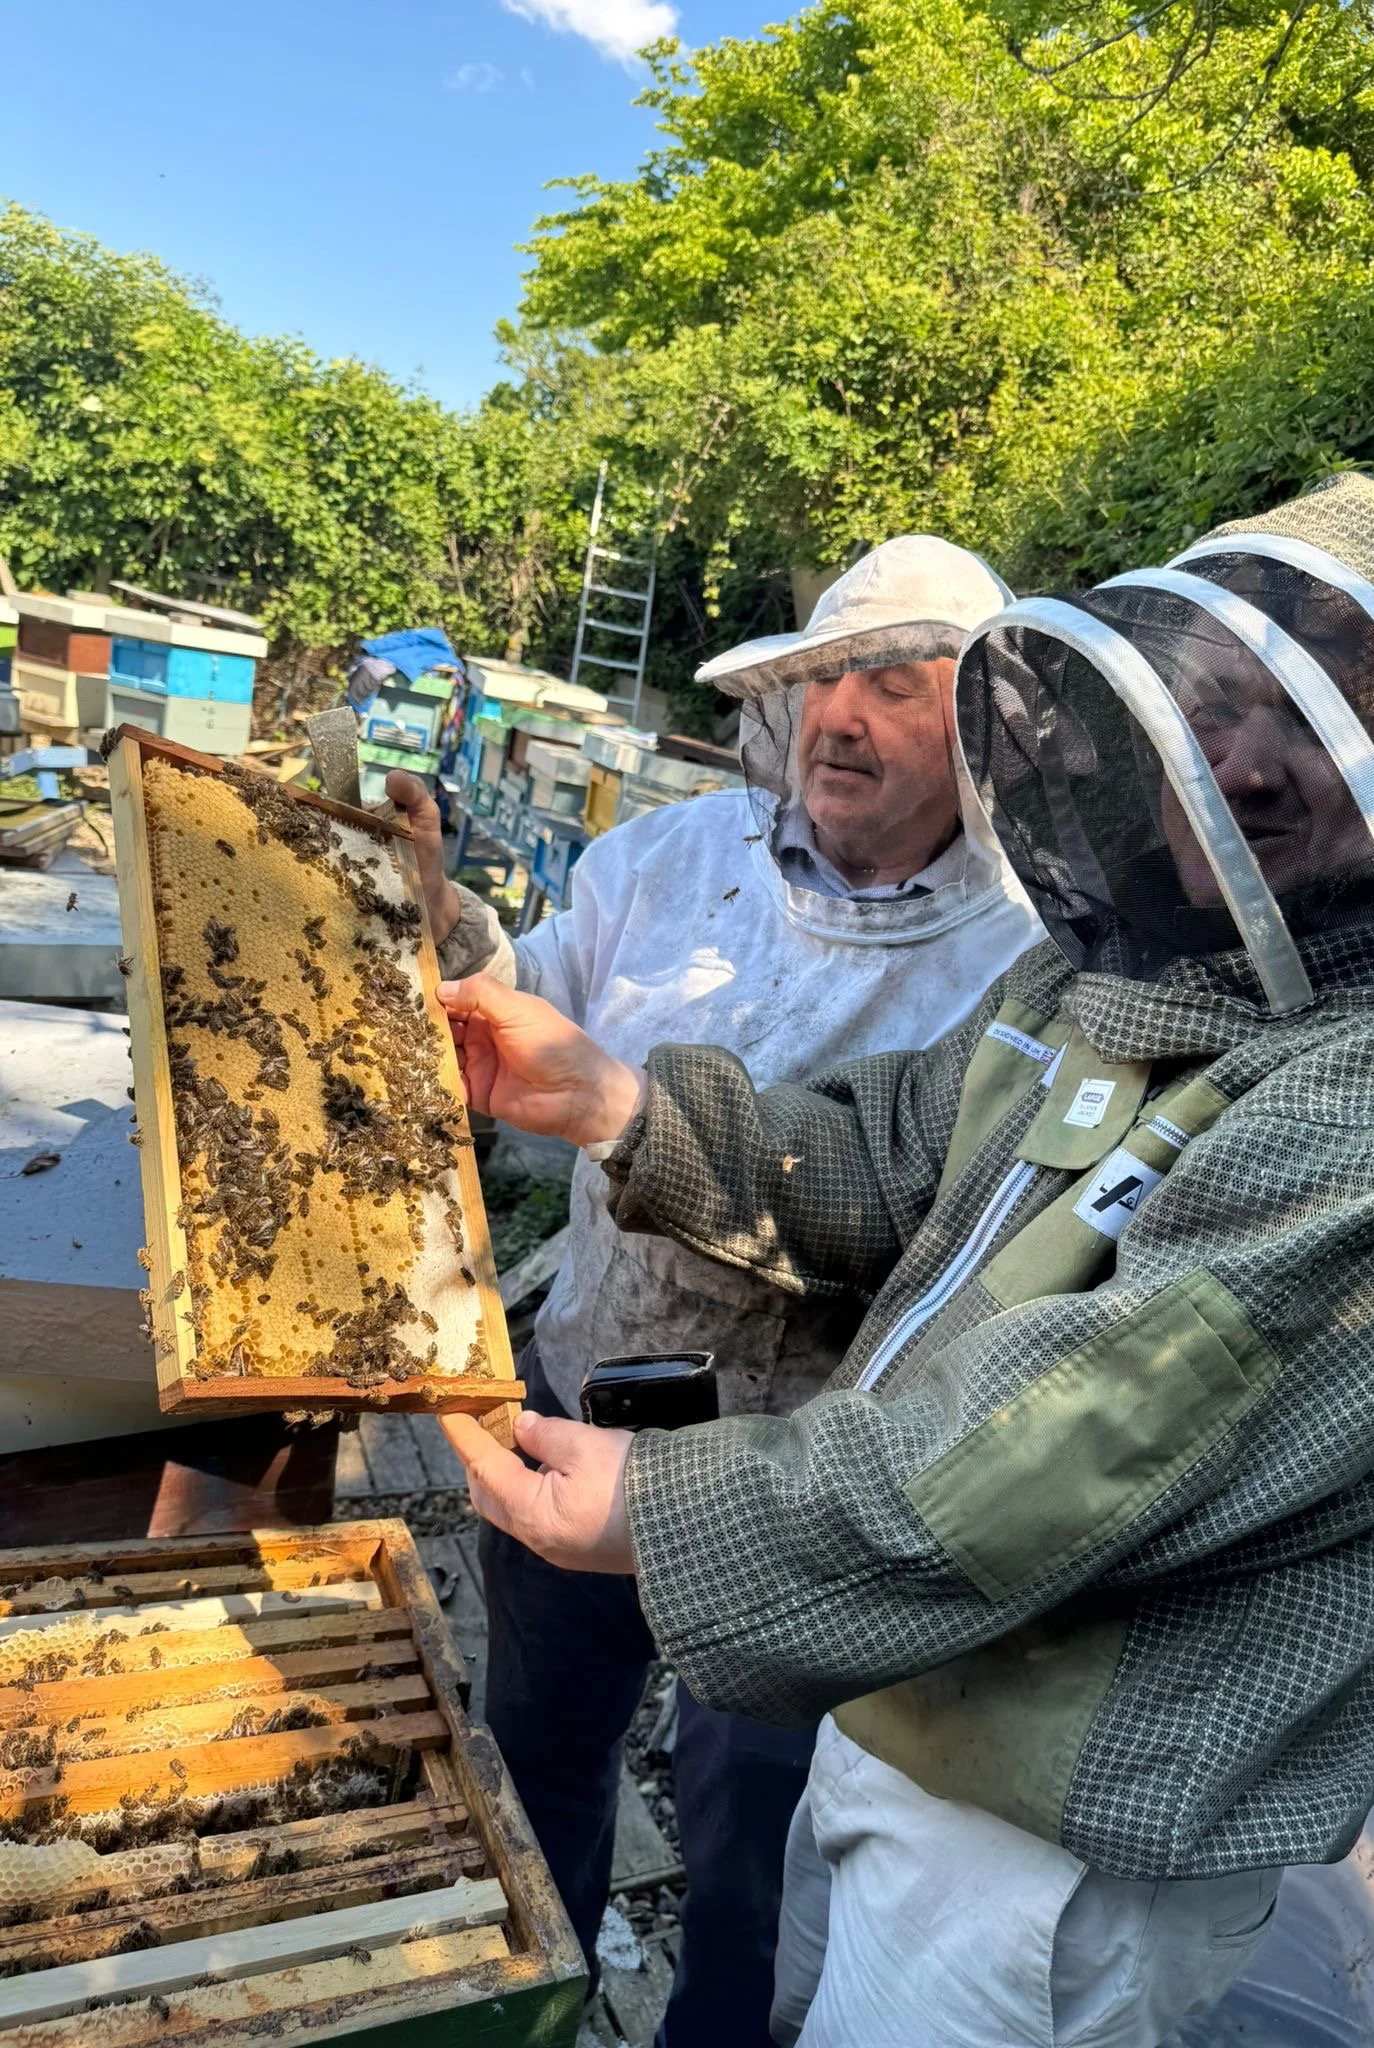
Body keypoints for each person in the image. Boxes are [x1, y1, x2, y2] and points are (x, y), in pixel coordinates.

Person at [432, 474, 1374, 2047]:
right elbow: (891, 1152)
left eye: (1313, 714)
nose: (1240, 764)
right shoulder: (1122, 970)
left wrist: (664, 1509)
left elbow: (1083, 1443)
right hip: (909, 1703)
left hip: (1058, 1848)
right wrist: (612, 1099)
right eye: (1206, 709)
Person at [390, 534, 1043, 2044]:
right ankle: (537, 2014)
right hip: (575, 1397)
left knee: (759, 1845)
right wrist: (430, 921)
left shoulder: (1025, 963)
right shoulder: (667, 858)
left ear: (989, 732)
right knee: (538, 1759)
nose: (839, 717)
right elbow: (517, 1015)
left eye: (894, 683)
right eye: (820, 680)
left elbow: (935, 1227)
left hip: (791, 1483)